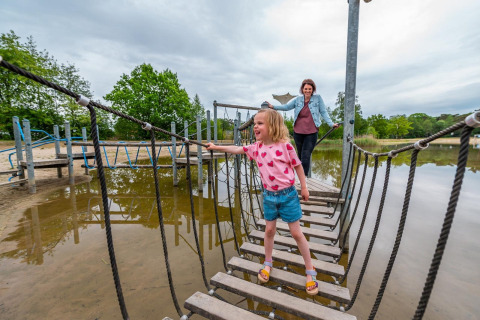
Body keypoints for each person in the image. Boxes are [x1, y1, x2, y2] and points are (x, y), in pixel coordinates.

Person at [206, 108, 319, 295]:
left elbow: (298, 166)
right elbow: (236, 149)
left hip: (289, 195)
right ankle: (268, 263)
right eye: (254, 124)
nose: (255, 127)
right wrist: (215, 147)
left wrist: (304, 187)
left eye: (260, 123)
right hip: (268, 196)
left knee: (296, 233)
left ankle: (310, 269)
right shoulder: (256, 148)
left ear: (272, 126)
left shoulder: (285, 146)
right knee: (269, 230)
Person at [267, 79, 339, 175]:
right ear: (302, 89)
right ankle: (299, 177)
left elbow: (323, 112)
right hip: (298, 131)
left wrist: (331, 124)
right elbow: (287, 107)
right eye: (306, 89)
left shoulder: (318, 98)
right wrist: (273, 107)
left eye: (310, 89)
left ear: (313, 89)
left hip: (312, 131)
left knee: (306, 155)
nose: (307, 91)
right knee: (300, 156)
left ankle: (303, 179)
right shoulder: (298, 100)